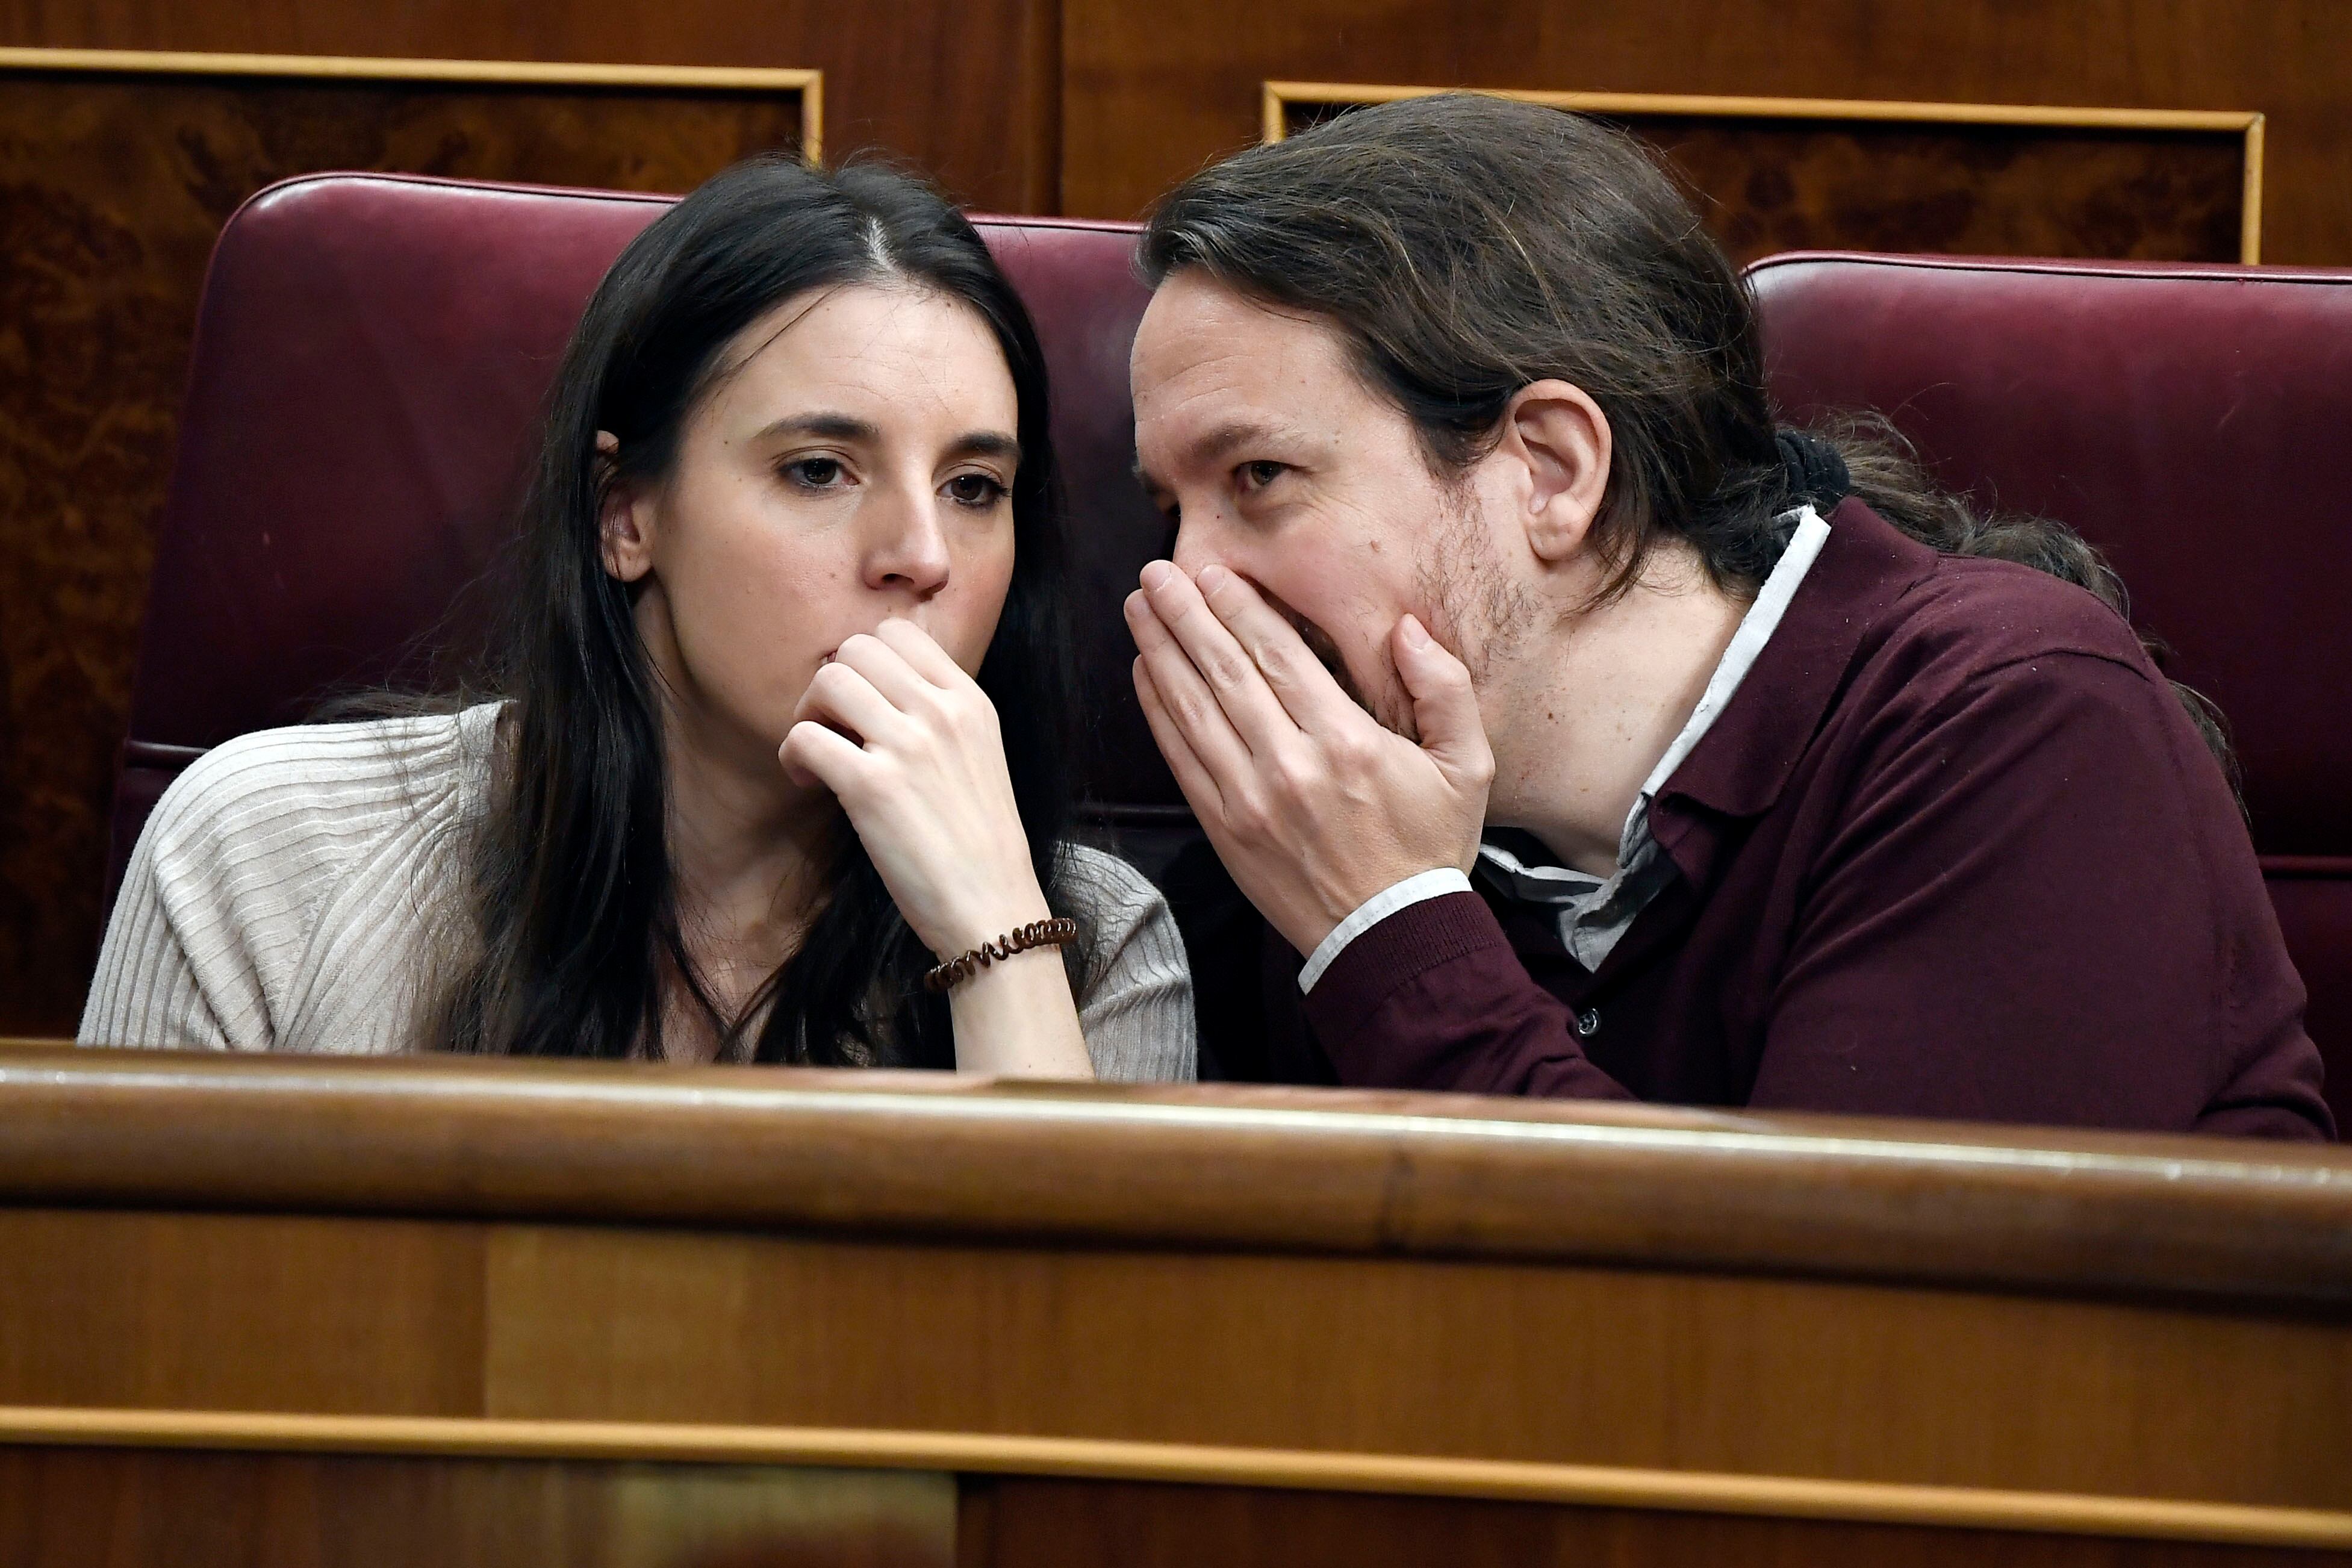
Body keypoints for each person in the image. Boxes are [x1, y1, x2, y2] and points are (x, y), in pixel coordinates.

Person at [1122, 93, 2327, 1136]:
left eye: (1257, 481)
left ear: (1550, 471)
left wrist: (1390, 932)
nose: (1185, 584)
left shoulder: (2021, 722)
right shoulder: (1315, 825)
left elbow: (1815, 1358)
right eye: (1168, 510)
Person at [82, 156, 1193, 1080]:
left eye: (973, 489)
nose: (920, 556)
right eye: (819, 470)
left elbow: (1059, 1345)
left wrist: (996, 937)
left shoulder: (1096, 945)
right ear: (626, 517)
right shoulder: (261, 850)